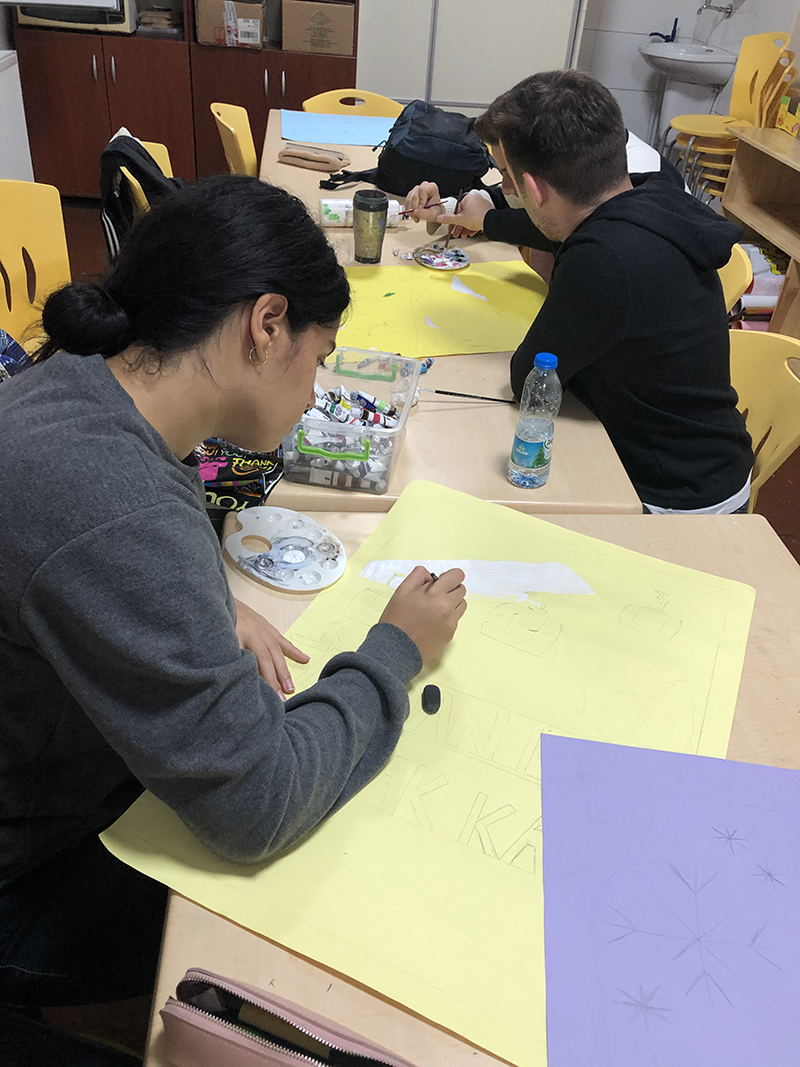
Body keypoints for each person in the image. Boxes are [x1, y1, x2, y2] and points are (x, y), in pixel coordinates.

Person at [0, 175, 467, 1033]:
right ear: (267, 324)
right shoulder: (117, 505)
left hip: (51, 769)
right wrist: (393, 649)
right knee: (340, 925)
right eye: (319, 360)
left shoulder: (82, 382)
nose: (315, 393)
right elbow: (261, 800)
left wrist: (205, 600)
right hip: (24, 882)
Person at [407, 71, 753, 514]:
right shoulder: (653, 195)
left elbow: (530, 378)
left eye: (507, 177)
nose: (505, 190)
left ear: (533, 188)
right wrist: (486, 219)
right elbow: (556, 229)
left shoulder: (603, 259)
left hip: (677, 495)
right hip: (711, 457)